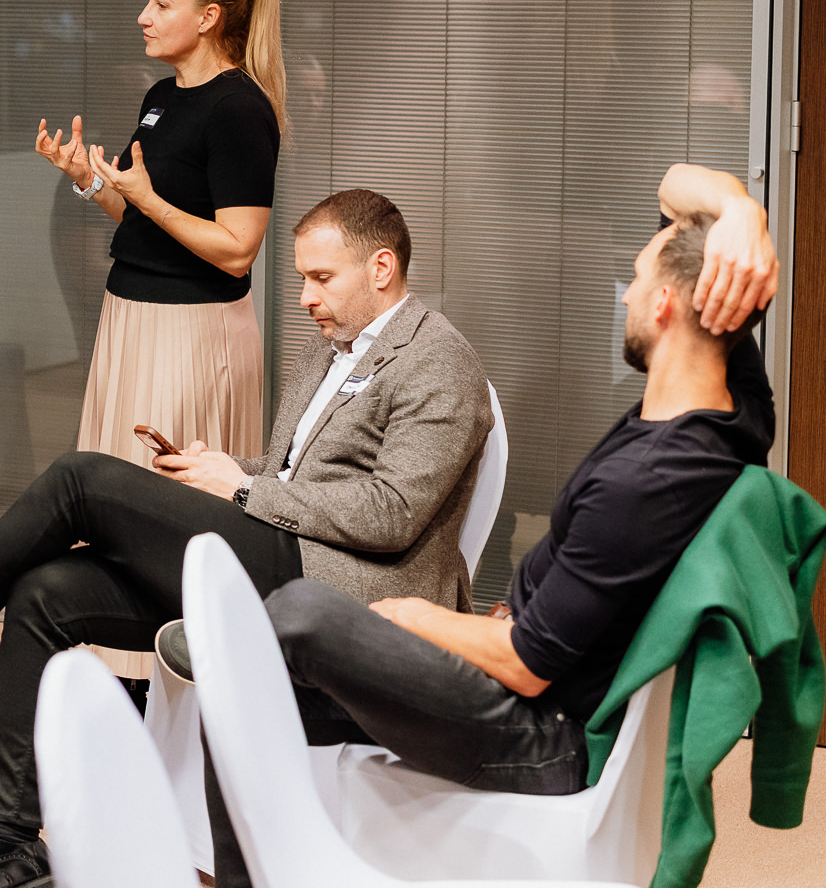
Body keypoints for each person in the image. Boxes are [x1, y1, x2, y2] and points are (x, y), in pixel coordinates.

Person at [191, 164, 780, 887]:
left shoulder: (641, 484)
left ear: (662, 305)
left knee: (297, 616)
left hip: (539, 735)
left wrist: (408, 616)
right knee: (240, 681)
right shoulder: (733, 413)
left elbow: (525, 662)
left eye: (633, 280)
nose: (624, 294)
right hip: (528, 690)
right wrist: (742, 213)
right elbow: (674, 187)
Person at [0, 188, 493, 888]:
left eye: (321, 277)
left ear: (381, 267)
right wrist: (218, 467)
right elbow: (291, 470)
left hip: (347, 589)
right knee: (45, 591)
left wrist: (242, 488)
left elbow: (391, 514)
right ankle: (9, 839)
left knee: (80, 481)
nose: (305, 297)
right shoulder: (329, 350)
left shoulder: (438, 360)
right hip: (283, 551)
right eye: (302, 277)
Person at [35, 0, 285, 681]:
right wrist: (92, 183)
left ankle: (176, 668)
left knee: (166, 500)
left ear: (208, 18)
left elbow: (237, 249)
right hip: (131, 317)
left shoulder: (241, 109)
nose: (143, 15)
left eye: (161, 3)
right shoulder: (161, 94)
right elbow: (145, 217)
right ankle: (119, 661)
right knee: (115, 486)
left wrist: (145, 197)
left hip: (193, 328)